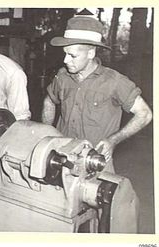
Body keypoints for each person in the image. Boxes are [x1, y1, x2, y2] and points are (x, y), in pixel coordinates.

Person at [41, 11, 152, 173]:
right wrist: (46, 133)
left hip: (95, 163)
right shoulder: (62, 76)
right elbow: (49, 100)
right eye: (65, 54)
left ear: (91, 53)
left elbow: (145, 114)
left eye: (72, 55)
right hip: (60, 159)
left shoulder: (114, 81)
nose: (65, 60)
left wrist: (113, 141)